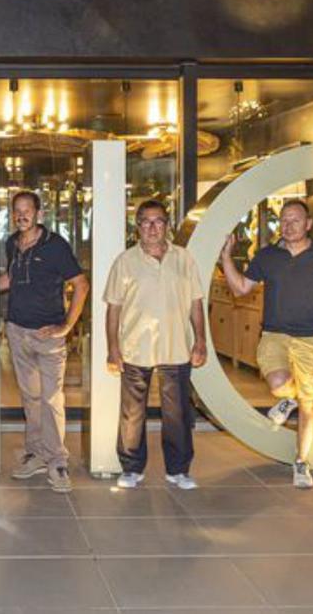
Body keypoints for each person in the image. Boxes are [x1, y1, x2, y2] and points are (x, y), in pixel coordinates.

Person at [218, 199, 313, 489]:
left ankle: (302, 461)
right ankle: (287, 397)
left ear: (308, 224)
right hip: (275, 333)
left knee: (309, 402)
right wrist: (226, 258)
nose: (288, 225)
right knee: (278, 384)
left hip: (311, 337)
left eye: (295, 220)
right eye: (284, 220)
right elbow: (241, 289)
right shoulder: (267, 257)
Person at [105, 200, 207, 490]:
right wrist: (113, 348)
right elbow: (113, 308)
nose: (152, 227)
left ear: (167, 225)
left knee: (177, 414)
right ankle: (131, 468)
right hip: (135, 347)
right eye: (146, 222)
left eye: (158, 221)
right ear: (137, 226)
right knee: (132, 413)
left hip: (176, 347)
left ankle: (178, 470)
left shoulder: (184, 259)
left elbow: (196, 303)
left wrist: (200, 340)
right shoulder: (125, 261)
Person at [1, 191, 90, 493]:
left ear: (39, 213)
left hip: (47, 336)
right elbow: (11, 280)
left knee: (52, 399)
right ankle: (36, 454)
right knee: (31, 398)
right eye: (17, 211)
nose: (22, 215)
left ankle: (57, 460)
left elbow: (81, 284)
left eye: (27, 210)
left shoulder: (55, 246)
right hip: (17, 331)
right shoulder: (11, 243)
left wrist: (66, 326)